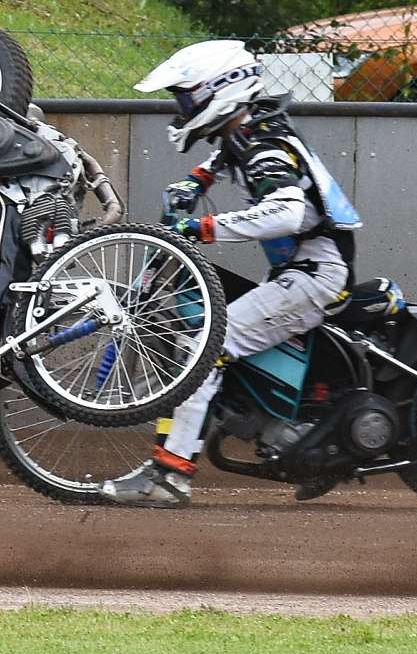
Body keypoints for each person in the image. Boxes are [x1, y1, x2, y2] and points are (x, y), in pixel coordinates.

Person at [102, 40, 359, 508]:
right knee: (209, 341)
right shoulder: (245, 135)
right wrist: (191, 184)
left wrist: (204, 225)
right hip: (299, 270)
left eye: (186, 98)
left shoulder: (266, 146)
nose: (181, 109)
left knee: (205, 348)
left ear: (219, 90)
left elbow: (283, 212)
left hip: (314, 273)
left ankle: (168, 478)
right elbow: (218, 163)